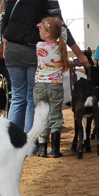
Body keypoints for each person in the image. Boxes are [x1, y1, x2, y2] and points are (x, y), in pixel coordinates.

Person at [0, 0, 88, 132]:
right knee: (32, 97)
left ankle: (12, 141)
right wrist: (79, 54)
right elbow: (60, 25)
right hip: (33, 48)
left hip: (12, 49)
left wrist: (5, 43)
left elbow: (5, 17)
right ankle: (30, 142)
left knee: (17, 97)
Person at [33, 17, 69, 158]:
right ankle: (55, 150)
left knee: (42, 115)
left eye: (41, 29)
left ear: (47, 34)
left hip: (40, 85)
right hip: (55, 86)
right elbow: (64, 30)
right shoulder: (61, 45)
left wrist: (42, 23)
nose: (39, 31)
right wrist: (50, 24)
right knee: (55, 115)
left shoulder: (39, 46)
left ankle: (42, 149)